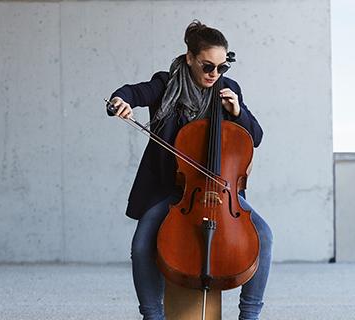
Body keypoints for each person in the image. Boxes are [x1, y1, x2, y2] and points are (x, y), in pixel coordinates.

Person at [107, 20, 273, 320]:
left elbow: (255, 137)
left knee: (265, 235)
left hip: (220, 191)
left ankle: (250, 316)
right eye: (207, 66)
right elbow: (133, 92)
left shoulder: (229, 89)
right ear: (190, 58)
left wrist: (238, 112)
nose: (214, 74)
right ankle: (152, 316)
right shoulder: (165, 84)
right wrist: (120, 101)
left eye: (222, 67)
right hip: (171, 189)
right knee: (142, 243)